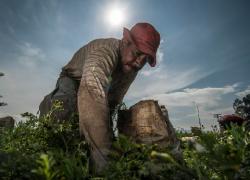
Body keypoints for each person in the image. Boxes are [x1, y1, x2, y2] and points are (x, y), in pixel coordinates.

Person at [39, 22, 161, 173]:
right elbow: (92, 96)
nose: (139, 63)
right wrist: (104, 164)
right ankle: (53, 152)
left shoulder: (131, 69)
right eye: (137, 54)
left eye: (145, 60)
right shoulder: (104, 52)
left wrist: (107, 137)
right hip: (73, 78)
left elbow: (113, 101)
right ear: (125, 41)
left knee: (102, 123)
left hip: (100, 86)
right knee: (64, 109)